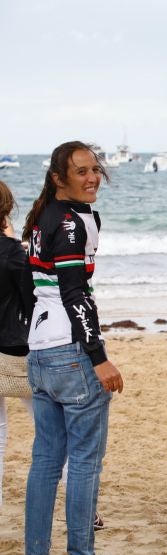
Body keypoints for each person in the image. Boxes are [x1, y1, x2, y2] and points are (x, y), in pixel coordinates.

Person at [22, 141, 128, 555]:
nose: (91, 178)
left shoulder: (40, 219)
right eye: (81, 171)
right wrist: (99, 357)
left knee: (46, 459)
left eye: (95, 170)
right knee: (85, 461)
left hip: (40, 351)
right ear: (57, 178)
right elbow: (75, 294)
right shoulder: (68, 224)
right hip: (70, 352)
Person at [1, 181, 33, 512]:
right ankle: (87, 512)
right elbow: (31, 303)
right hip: (13, 350)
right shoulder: (13, 254)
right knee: (51, 431)